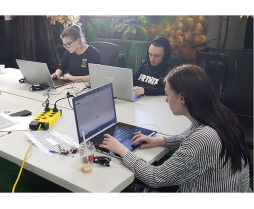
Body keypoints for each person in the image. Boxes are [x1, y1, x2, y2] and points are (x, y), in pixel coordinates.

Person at [99, 64, 251, 192]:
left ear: (182, 98)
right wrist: (160, 141)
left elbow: (155, 177)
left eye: (168, 94)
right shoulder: (220, 116)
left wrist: (121, 150)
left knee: (125, 188)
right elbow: (190, 138)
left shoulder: (203, 138)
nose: (166, 100)